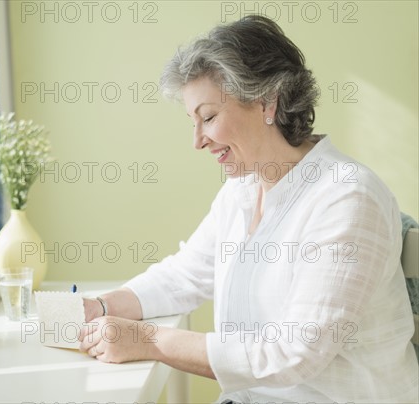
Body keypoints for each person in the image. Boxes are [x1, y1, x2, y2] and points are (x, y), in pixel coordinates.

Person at [78, 15, 419, 403]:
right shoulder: (243, 188)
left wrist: (148, 339)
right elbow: (185, 274)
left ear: (266, 102)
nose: (197, 141)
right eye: (193, 121)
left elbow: (293, 354)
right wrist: (101, 305)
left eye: (208, 118)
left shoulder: (347, 197)